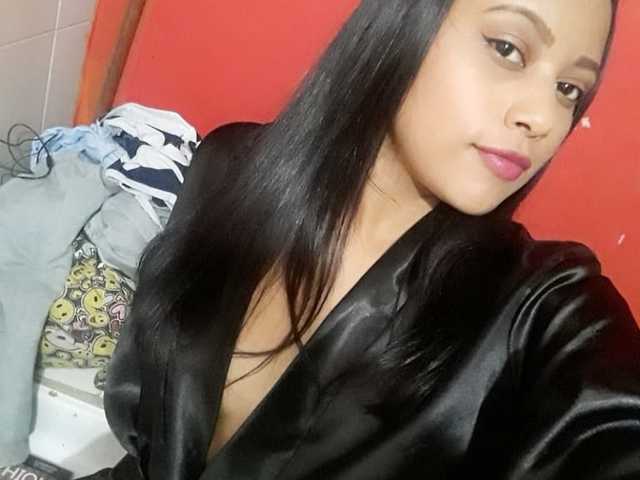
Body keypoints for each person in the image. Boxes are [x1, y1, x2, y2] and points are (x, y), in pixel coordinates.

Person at [80, 0, 640, 478]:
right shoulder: (228, 169)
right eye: (508, 49)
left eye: (569, 89)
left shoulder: (538, 307)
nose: (543, 117)